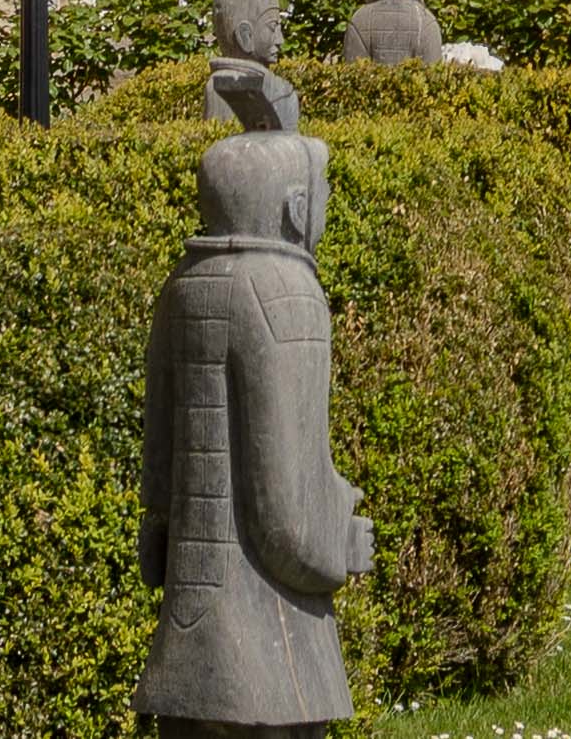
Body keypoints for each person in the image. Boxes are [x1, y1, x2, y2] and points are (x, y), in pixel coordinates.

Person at [142, 99, 380, 730]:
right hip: (269, 649)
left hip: (190, 617)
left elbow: (159, 476)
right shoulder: (288, 293)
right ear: (296, 208)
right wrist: (339, 545)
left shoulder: (183, 285)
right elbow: (286, 514)